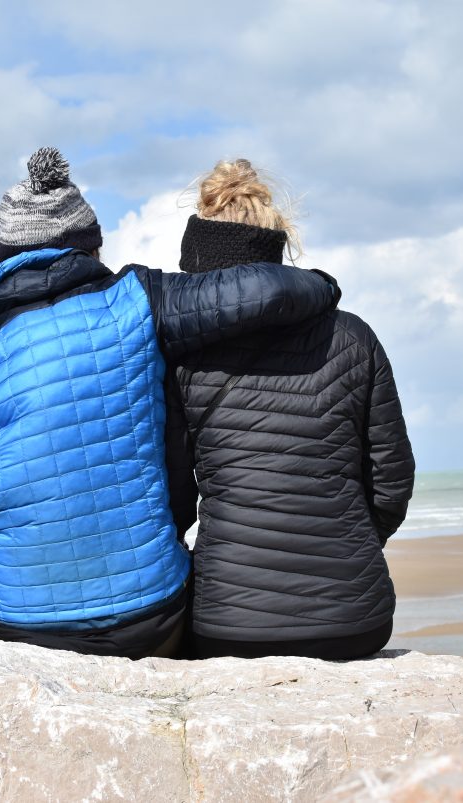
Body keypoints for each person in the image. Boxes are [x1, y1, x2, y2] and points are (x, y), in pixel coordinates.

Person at [0, 147, 337, 659]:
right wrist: (324, 286)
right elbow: (265, 289)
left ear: (0, 259)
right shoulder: (136, 302)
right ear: (92, 249)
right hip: (152, 620)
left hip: (13, 626)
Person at [173, 159, 415, 660]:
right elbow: (392, 482)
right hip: (355, 619)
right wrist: (348, 546)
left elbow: (172, 496)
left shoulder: (180, 353)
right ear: (276, 244)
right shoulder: (351, 336)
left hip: (227, 626)